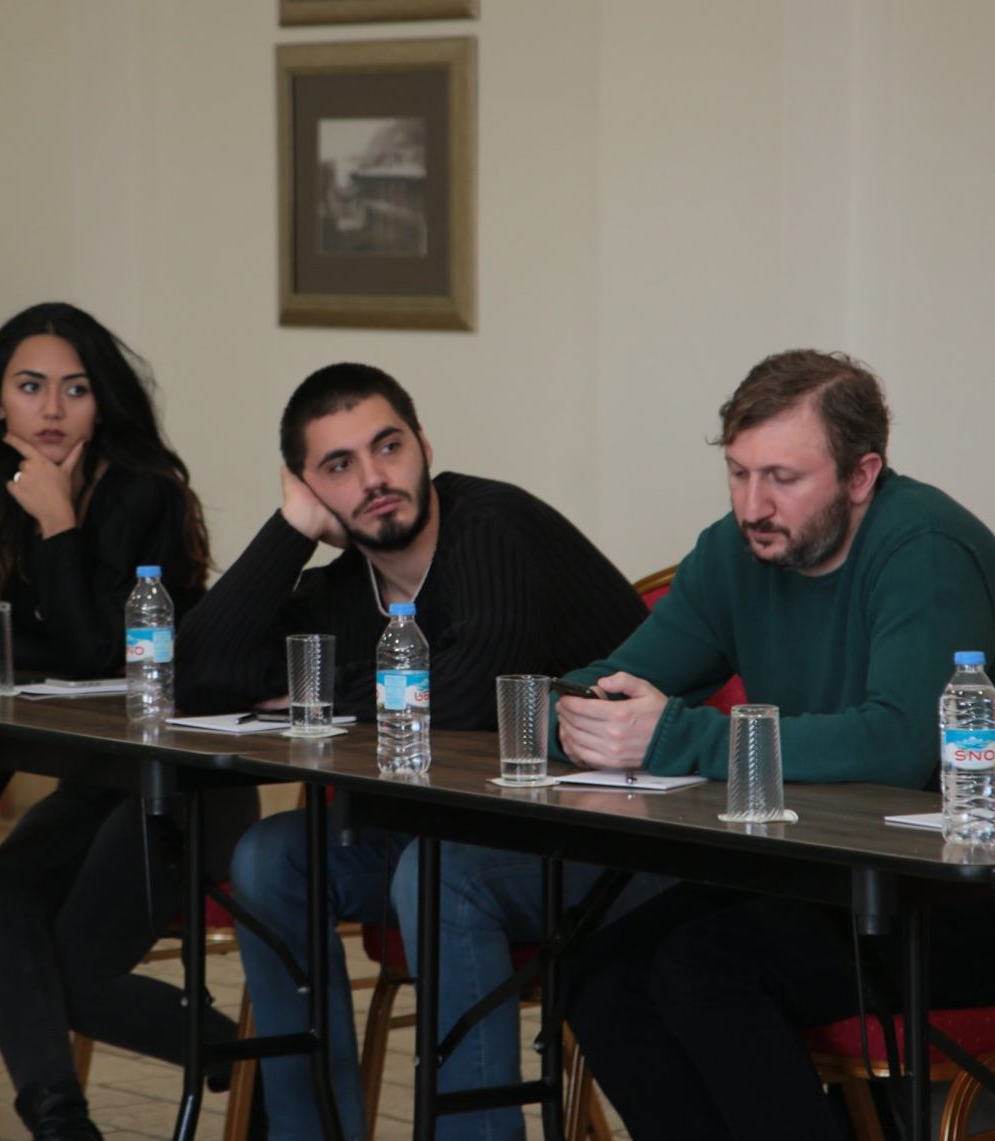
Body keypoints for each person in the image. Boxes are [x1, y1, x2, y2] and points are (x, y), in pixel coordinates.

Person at [556, 349, 995, 1141]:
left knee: (702, 968)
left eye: (782, 478)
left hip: (971, 894)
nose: (752, 504)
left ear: (862, 476)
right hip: (820, 875)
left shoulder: (928, 549)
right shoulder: (734, 550)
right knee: (595, 970)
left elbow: (897, 743)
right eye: (737, 473)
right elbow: (622, 676)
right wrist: (580, 710)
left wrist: (671, 735)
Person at [178, 363, 646, 1141]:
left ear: (424, 446)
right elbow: (195, 677)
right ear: (311, 488)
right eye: (338, 466)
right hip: (454, 832)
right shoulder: (347, 590)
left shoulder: (492, 527)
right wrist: (289, 531)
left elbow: (466, 701)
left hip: (611, 837)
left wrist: (322, 694)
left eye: (387, 447)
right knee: (270, 858)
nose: (373, 478)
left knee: (434, 877)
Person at [0, 303, 261, 1141]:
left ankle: (258, 1057)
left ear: (105, 400)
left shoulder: (142, 493)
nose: (51, 409)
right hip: (96, 779)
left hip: (181, 781)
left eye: (76, 389)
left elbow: (97, 658)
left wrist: (59, 523)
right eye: (30, 387)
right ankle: (60, 1123)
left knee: (75, 973)